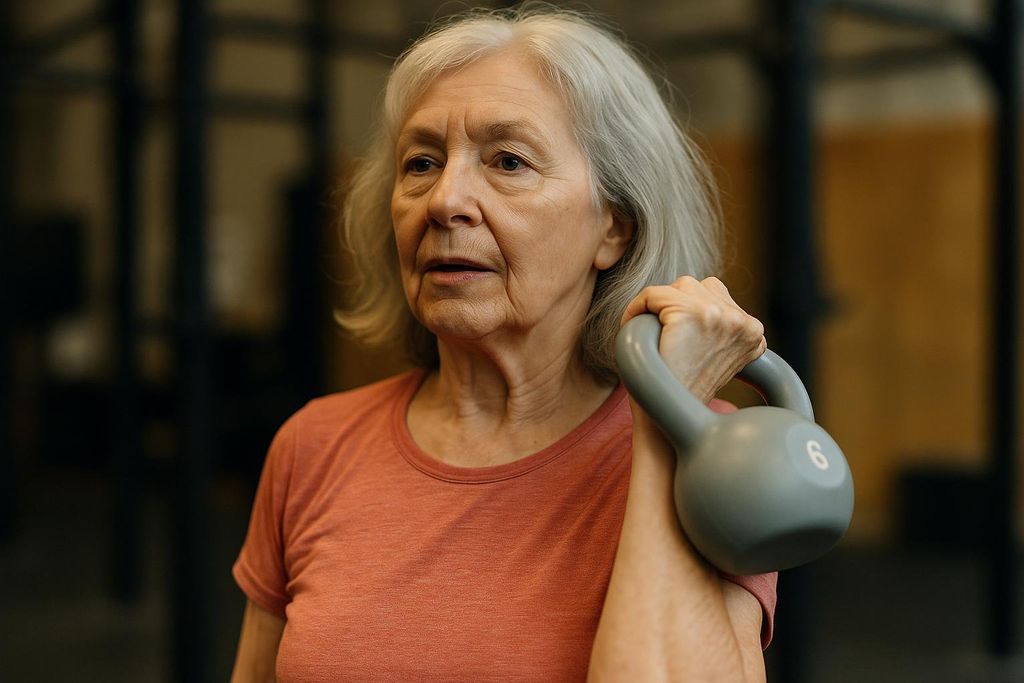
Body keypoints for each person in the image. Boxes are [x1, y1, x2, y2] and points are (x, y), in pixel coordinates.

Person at [231, 6, 776, 682]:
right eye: (421, 162)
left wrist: (673, 419)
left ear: (617, 227)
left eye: (508, 161)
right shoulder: (313, 446)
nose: (444, 199)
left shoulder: (713, 456)